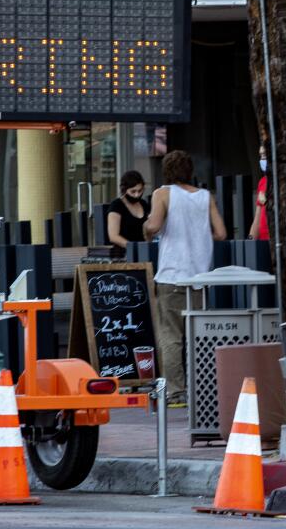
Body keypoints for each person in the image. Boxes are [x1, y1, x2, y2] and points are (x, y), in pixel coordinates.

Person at [144, 150, 227, 404]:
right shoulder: (205, 197)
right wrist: (199, 239)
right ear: (190, 170)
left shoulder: (163, 194)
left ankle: (177, 392)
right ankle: (200, 389)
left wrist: (146, 228)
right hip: (199, 277)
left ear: (166, 172)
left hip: (172, 275)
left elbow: (154, 225)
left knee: (171, 336)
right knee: (197, 336)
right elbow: (221, 233)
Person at [106, 170, 150, 256]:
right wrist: (133, 247)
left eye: (140, 191)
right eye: (133, 191)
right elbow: (113, 236)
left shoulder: (144, 204)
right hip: (123, 253)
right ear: (125, 190)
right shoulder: (117, 205)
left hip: (143, 252)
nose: (137, 195)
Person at [247, 145, 269, 241]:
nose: (262, 159)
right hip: (262, 241)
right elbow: (257, 217)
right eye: (261, 155)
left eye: (264, 154)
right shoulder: (263, 182)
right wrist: (250, 240)